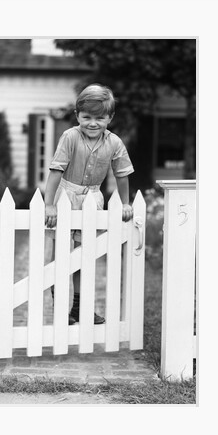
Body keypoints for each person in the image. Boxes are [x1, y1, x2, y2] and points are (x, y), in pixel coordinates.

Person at [44, 83, 134, 325]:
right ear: (77, 116)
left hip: (92, 200)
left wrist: (125, 203)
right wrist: (49, 204)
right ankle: (60, 303)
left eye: (99, 118)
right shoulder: (70, 136)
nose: (92, 123)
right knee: (62, 255)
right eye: (86, 117)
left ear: (110, 117)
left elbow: (122, 174)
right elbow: (56, 170)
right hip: (66, 196)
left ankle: (78, 308)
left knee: (83, 257)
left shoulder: (114, 142)